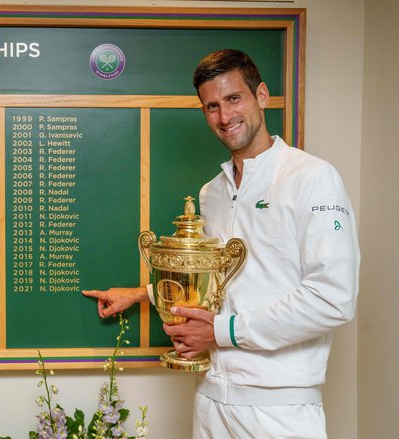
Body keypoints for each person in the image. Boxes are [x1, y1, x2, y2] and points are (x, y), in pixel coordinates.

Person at [83, 49, 360, 438]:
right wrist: (142, 293)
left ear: (261, 95)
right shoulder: (211, 193)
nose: (225, 116)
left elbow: (333, 298)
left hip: (279, 409)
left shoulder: (313, 178)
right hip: (211, 399)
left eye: (234, 99)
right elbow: (222, 282)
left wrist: (221, 332)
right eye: (212, 106)